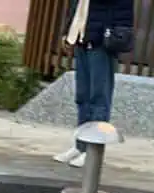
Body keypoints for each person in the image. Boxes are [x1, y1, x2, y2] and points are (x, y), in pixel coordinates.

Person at [54, 0, 134, 169]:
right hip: (82, 39)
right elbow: (75, 8)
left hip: (102, 41)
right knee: (82, 96)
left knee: (99, 97)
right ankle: (80, 146)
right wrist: (67, 32)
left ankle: (92, 151)